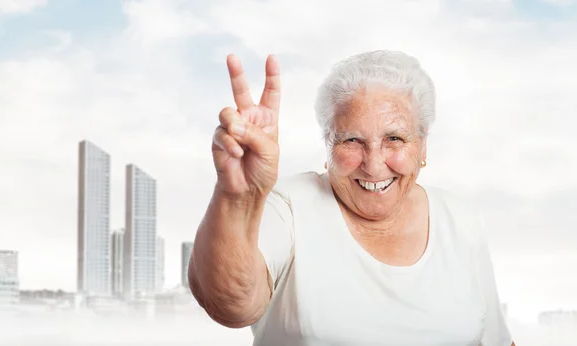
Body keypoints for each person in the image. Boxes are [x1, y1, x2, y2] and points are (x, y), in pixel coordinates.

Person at [188, 50, 515, 346]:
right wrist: (238, 197)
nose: (373, 165)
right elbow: (230, 306)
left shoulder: (461, 218)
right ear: (328, 145)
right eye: (352, 140)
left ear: (422, 146)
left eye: (395, 138)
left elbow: (496, 340)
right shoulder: (287, 205)